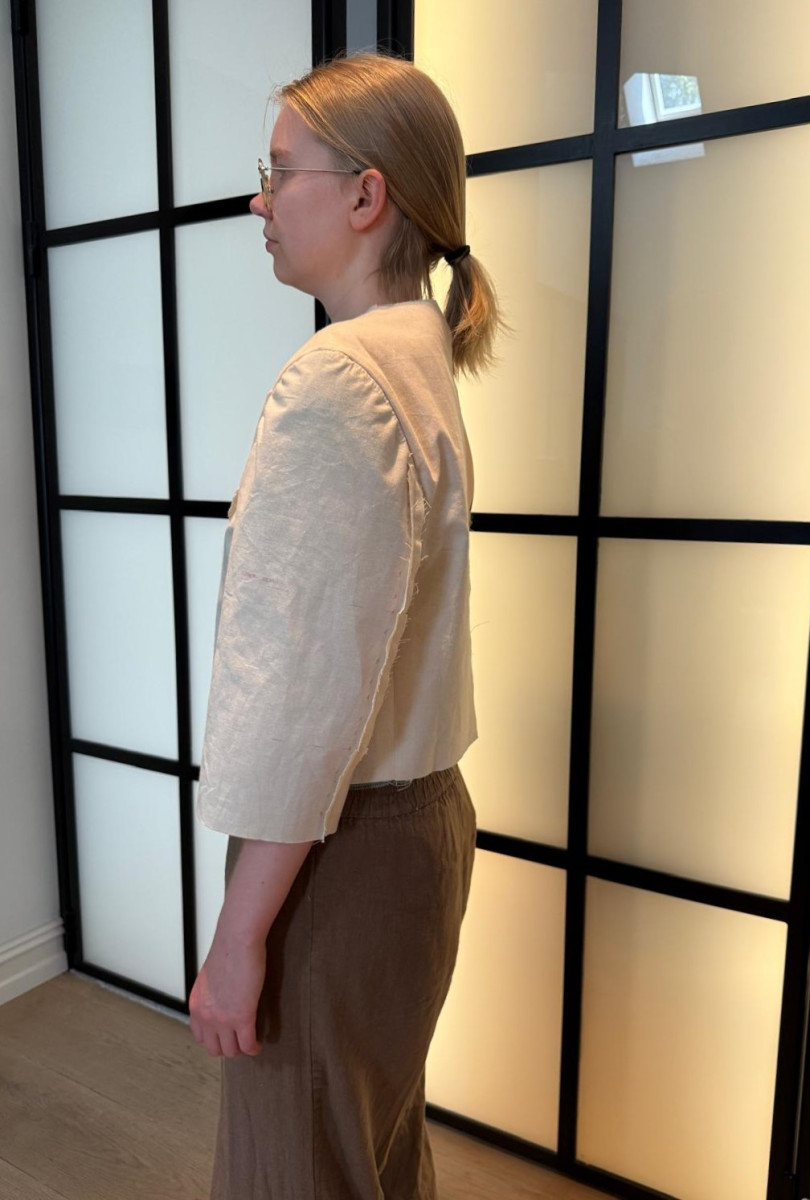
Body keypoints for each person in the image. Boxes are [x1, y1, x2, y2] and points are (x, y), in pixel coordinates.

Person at [189, 50, 504, 1200]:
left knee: (298, 1172)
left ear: (367, 195)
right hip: (414, 831)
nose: (260, 200)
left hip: (340, 849)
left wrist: (239, 939)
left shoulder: (340, 381)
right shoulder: (415, 356)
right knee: (371, 1151)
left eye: (280, 172)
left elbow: (301, 703)